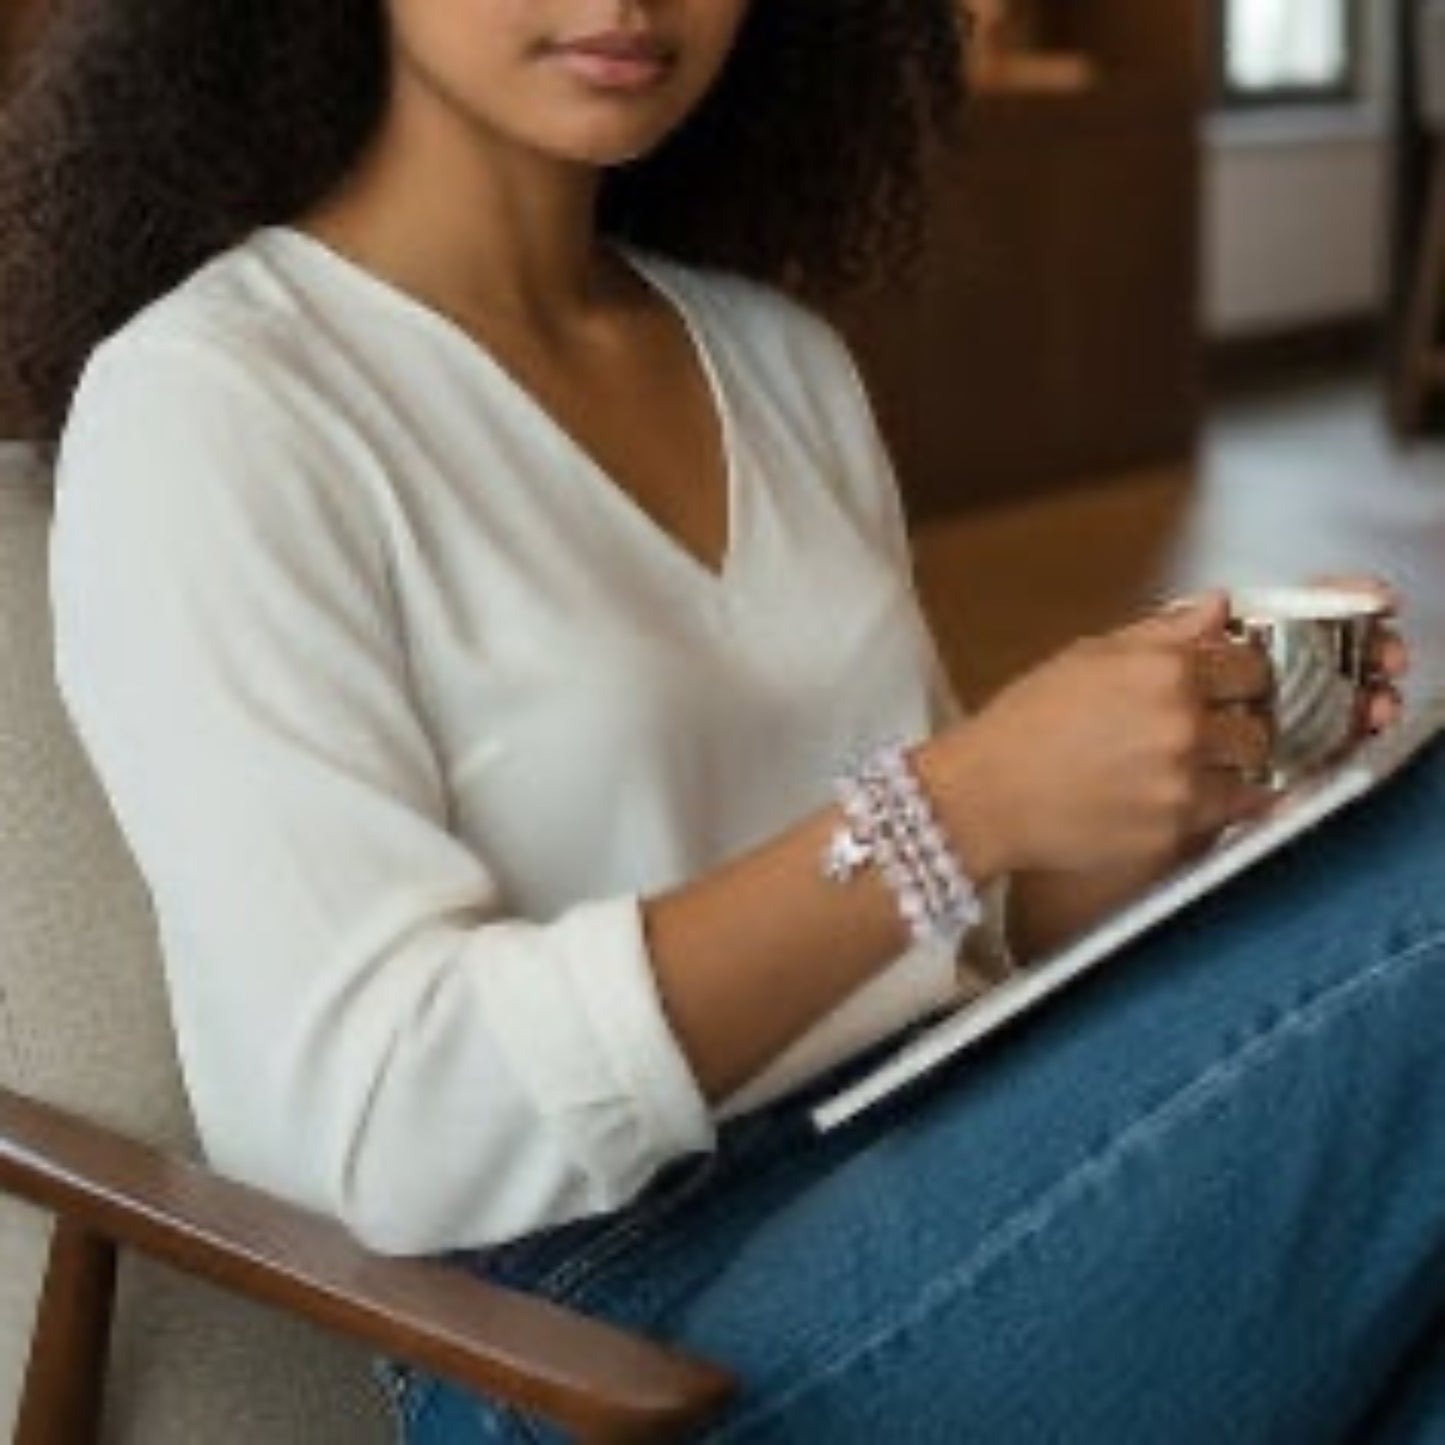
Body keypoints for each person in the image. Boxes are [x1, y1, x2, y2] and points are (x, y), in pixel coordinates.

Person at [3, 2, 1443, 1440]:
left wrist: (1141, 778)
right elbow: (386, 1118)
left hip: (939, 1157)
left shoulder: (774, 358)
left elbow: (959, 934)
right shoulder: (220, 402)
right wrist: (958, 804)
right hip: (594, 1342)